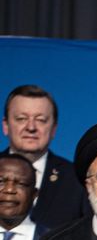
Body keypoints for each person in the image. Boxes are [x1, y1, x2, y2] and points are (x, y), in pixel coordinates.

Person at [2, 84, 86, 227]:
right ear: (6, 126)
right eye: (21, 118)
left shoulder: (78, 180)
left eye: (40, 120)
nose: (31, 127)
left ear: (53, 129)